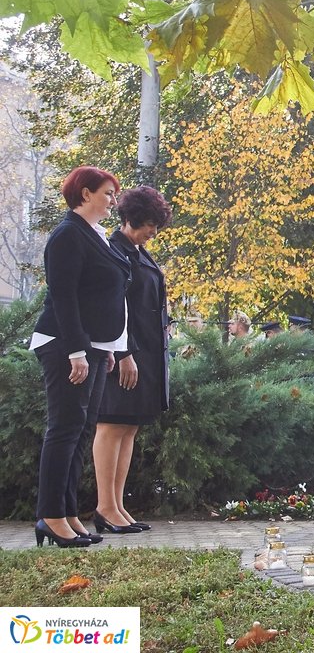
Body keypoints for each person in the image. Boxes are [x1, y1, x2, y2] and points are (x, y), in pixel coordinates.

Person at [30, 166, 131, 548]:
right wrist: (76, 351)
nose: (113, 200)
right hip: (63, 343)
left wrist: (104, 348)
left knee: (80, 429)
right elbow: (65, 296)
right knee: (64, 428)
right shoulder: (67, 235)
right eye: (107, 193)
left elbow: (105, 296)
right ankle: (50, 515)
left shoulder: (95, 235)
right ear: (84, 194)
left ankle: (68, 512)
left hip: (91, 346)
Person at [93, 185, 173, 537]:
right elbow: (113, 307)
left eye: (157, 225)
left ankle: (117, 505)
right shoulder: (114, 250)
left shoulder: (139, 251)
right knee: (111, 426)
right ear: (130, 218)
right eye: (149, 224)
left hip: (146, 354)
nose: (153, 231)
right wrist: (123, 352)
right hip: (123, 354)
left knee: (129, 428)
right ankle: (104, 507)